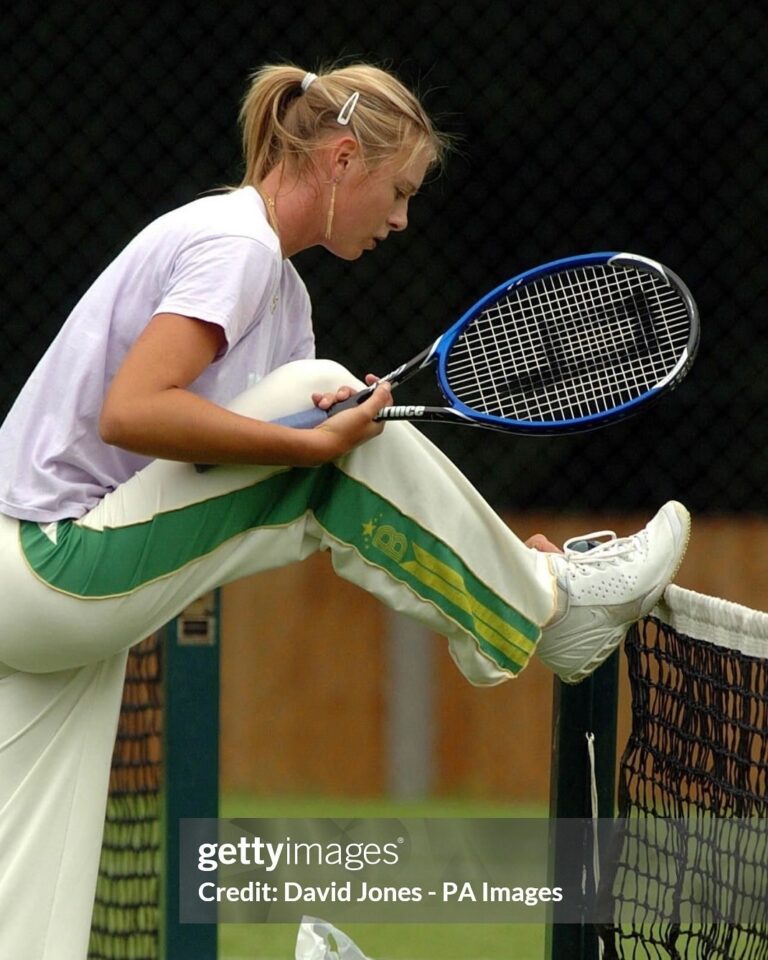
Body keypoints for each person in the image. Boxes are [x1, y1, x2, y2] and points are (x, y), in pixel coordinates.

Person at [0, 62, 690, 959]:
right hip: (48, 561)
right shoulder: (236, 245)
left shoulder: (279, 292)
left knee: (25, 899)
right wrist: (313, 442)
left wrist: (330, 452)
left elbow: (242, 465)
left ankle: (523, 585)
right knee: (323, 405)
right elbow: (135, 411)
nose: (402, 219)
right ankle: (546, 609)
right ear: (339, 159)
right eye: (398, 190)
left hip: (30, 587)